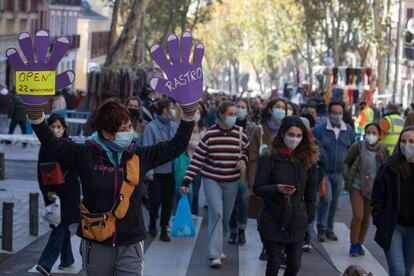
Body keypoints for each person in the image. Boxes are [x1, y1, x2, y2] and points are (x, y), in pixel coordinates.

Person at [25, 97, 198, 275]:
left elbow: (176, 146)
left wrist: (189, 115)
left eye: (129, 127)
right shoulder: (85, 154)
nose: (129, 133)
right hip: (96, 242)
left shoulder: (138, 156)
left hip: (130, 243)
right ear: (106, 133)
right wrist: (37, 118)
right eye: (123, 130)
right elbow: (53, 144)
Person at [181, 100, 249, 268]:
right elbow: (197, 159)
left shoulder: (241, 133)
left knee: (225, 217)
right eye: (231, 114)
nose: (234, 117)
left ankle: (218, 246)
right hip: (211, 179)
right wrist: (187, 180)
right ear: (220, 115)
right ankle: (214, 253)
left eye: (235, 114)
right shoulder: (210, 135)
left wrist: (243, 159)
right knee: (217, 213)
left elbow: (246, 150)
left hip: (231, 182)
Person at [254, 116, 318, 276]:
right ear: (282, 134)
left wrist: (308, 217)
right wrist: (277, 189)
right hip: (272, 217)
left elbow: (311, 192)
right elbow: (258, 188)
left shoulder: (307, 160)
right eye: (291, 134)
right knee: (274, 263)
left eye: (298, 136)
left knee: (294, 265)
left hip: (296, 220)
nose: (294, 139)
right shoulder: (269, 157)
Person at [36, 113, 81, 275]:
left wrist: (56, 192)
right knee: (61, 226)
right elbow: (40, 172)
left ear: (64, 129)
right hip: (51, 195)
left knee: (60, 226)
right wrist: (47, 192)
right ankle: (67, 259)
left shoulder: (69, 146)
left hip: (68, 194)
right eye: (52, 126)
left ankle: (45, 263)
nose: (56, 130)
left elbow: (73, 174)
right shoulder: (45, 147)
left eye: (59, 127)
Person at [248, 97, 287, 260]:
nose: (281, 110)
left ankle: (281, 249)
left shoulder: (289, 130)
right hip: (265, 181)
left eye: (284, 108)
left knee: (284, 217)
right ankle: (266, 247)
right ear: (270, 110)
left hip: (284, 179)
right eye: (278, 107)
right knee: (265, 218)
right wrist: (252, 182)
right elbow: (253, 157)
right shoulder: (260, 130)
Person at [372, 126, 414, 276]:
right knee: (398, 271)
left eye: (411, 141)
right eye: (403, 141)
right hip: (393, 226)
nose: (407, 145)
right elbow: (377, 196)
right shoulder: (390, 167)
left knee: (407, 271)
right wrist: (379, 220)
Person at [343, 123, 388, 257]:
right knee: (358, 215)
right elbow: (346, 162)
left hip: (373, 190)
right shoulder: (357, 147)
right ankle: (353, 243)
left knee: (367, 219)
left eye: (374, 133)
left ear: (379, 135)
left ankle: (359, 243)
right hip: (357, 186)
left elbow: (385, 170)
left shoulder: (383, 150)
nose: (370, 135)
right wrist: (347, 176)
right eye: (368, 132)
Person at [313, 102, 355, 242]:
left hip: (340, 173)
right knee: (326, 200)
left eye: (340, 113)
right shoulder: (319, 130)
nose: (338, 116)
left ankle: (330, 228)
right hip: (325, 172)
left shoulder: (348, 129)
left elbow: (351, 149)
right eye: (335, 113)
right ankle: (321, 229)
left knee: (335, 203)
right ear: (329, 113)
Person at [142, 99, 179, 242]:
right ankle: (152, 221)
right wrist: (149, 172)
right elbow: (146, 149)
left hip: (171, 171)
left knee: (168, 202)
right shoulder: (151, 127)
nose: (174, 110)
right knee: (155, 201)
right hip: (156, 172)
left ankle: (164, 228)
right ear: (165, 110)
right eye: (172, 107)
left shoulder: (175, 126)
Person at [229, 99, 257, 245]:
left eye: (243, 107)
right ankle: (233, 231)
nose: (240, 109)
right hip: (228, 168)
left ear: (248, 110)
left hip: (244, 170)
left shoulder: (252, 127)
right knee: (231, 202)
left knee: (243, 201)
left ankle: (242, 230)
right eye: (238, 107)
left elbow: (253, 149)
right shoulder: (228, 125)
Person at [187, 103, 207, 215]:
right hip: (185, 163)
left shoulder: (203, 129)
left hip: (198, 164)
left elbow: (203, 146)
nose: (196, 114)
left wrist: (191, 143)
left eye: (198, 111)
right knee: (184, 189)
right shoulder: (185, 127)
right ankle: (184, 212)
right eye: (194, 111)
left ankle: (194, 212)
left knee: (195, 191)